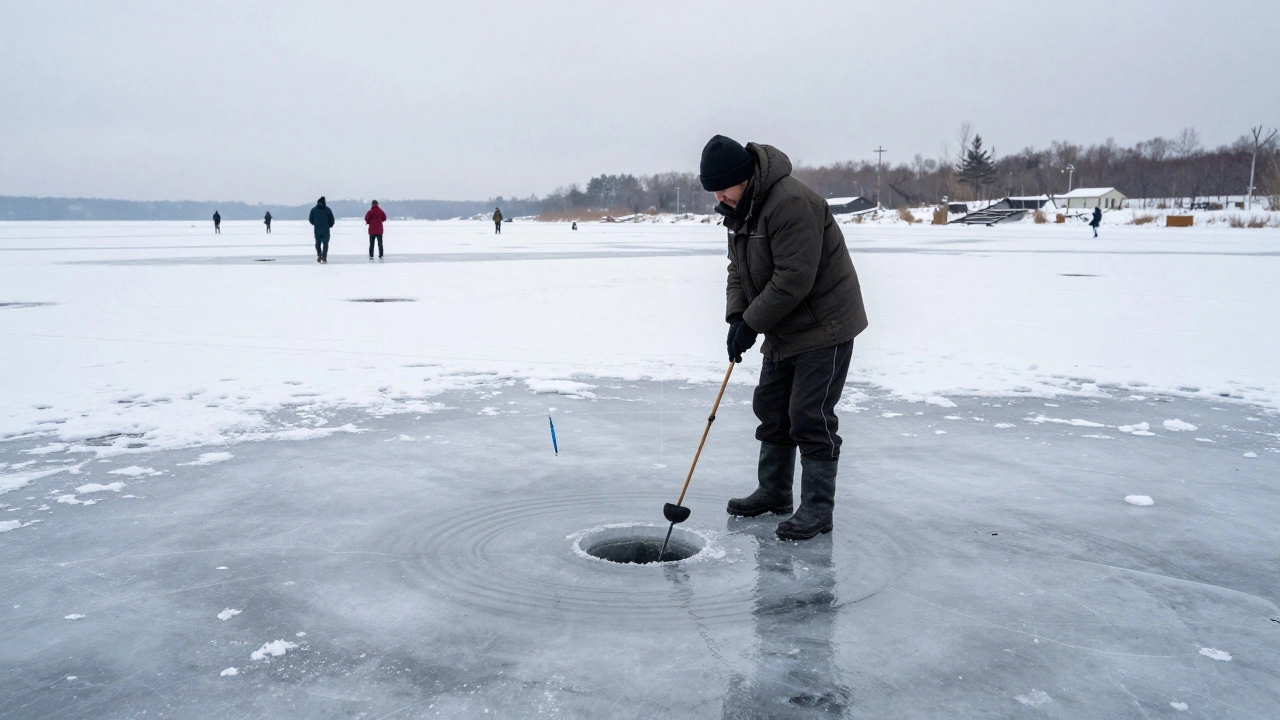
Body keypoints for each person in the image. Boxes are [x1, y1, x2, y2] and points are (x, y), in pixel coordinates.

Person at [702, 134, 868, 541]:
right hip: (782, 325)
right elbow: (737, 271)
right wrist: (737, 316)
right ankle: (775, 492)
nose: (719, 197)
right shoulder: (739, 210)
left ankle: (816, 510)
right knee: (773, 410)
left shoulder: (790, 203)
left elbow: (794, 278)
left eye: (724, 187)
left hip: (824, 326)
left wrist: (752, 324)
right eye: (714, 191)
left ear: (744, 177)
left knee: (809, 417)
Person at [308, 196, 335, 263]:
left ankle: (319, 254)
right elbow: (332, 220)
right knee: (325, 244)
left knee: (318, 243)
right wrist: (329, 225)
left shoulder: (313, 210)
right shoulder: (328, 210)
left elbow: (310, 219)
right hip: (326, 229)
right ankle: (324, 256)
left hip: (317, 229)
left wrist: (315, 224)